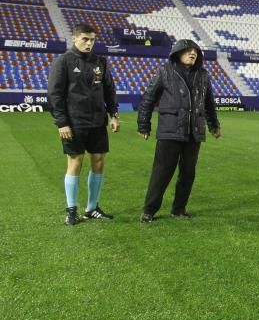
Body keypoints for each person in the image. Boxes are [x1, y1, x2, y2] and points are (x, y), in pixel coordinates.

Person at [137, 39, 221, 222]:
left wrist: (213, 125)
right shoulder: (164, 72)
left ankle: (179, 209)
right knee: (162, 172)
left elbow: (209, 104)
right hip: (170, 130)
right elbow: (148, 98)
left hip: (194, 131)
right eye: (188, 50)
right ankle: (149, 211)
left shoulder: (203, 75)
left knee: (188, 173)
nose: (193, 53)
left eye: (196, 51)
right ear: (178, 52)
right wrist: (144, 124)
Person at [47, 23, 120, 225]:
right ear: (75, 38)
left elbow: (109, 90)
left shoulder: (100, 62)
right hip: (74, 122)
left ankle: (92, 207)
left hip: (97, 121)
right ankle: (71, 210)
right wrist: (62, 122)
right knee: (75, 161)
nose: (89, 43)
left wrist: (114, 114)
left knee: (98, 161)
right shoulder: (63, 61)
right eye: (85, 39)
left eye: (92, 40)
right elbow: (55, 95)